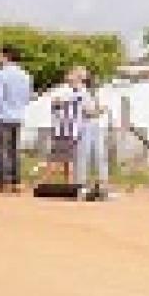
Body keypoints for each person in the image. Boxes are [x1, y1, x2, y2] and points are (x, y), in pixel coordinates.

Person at [50, 65, 110, 201]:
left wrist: (98, 110)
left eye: (82, 75)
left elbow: (94, 108)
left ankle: (102, 187)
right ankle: (81, 188)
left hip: (95, 126)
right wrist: (98, 111)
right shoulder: (71, 91)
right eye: (78, 74)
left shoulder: (89, 91)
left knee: (99, 156)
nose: (82, 76)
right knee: (82, 157)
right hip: (81, 127)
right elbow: (87, 111)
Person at [0, 47, 34, 194]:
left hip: (1, 115)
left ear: (6, 57)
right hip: (17, 115)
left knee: (1, 150)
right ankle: (15, 181)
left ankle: (4, 182)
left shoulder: (2, 74)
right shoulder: (26, 75)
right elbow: (28, 97)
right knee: (14, 149)